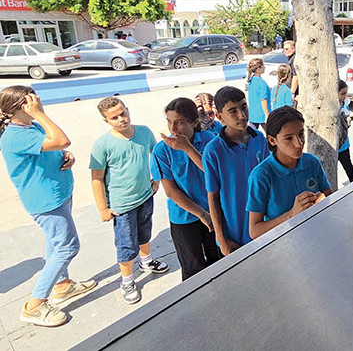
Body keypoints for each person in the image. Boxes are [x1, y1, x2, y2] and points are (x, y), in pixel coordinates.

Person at [0, 87, 96, 327]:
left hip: (58, 193)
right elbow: (62, 138)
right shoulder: (15, 135)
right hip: (45, 202)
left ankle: (62, 285)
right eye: (33, 100)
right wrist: (41, 114)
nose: (39, 102)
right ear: (23, 107)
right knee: (67, 246)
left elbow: (57, 145)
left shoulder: (30, 126)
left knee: (54, 242)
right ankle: (35, 305)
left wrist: (66, 155)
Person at [90, 97, 168, 305]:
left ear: (128, 110)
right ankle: (127, 280)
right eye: (114, 117)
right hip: (121, 205)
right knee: (126, 244)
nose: (121, 119)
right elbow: (96, 178)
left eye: (123, 113)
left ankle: (146, 261)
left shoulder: (144, 132)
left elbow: (156, 154)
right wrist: (103, 208)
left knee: (144, 232)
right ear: (106, 121)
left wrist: (156, 178)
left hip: (145, 195)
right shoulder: (103, 145)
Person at [150, 98, 221, 281]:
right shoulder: (161, 150)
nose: (173, 128)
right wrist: (202, 214)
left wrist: (188, 149)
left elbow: (213, 173)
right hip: (184, 218)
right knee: (193, 269)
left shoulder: (209, 141)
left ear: (194, 122)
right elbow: (171, 191)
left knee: (220, 260)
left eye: (179, 122)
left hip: (215, 211)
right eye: (169, 121)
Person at [202, 86, 269, 256]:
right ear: (219, 116)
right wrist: (221, 239)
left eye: (244, 107)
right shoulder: (214, 151)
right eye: (233, 111)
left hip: (265, 227)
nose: (242, 115)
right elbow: (213, 197)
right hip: (235, 234)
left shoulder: (259, 138)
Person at [247, 106, 332, 239]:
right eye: (288, 138)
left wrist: (322, 201)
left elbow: (329, 196)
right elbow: (255, 231)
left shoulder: (311, 162)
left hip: (317, 235)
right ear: (272, 140)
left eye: (300, 134)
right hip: (285, 244)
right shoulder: (261, 176)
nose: (299, 144)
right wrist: (292, 214)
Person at [337, 80, 353, 183]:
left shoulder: (345, 104)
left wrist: (351, 119)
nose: (344, 96)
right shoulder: (332, 108)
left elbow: (345, 120)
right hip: (334, 145)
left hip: (344, 144)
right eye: (342, 93)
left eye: (346, 93)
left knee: (349, 168)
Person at [246, 58, 270, 129]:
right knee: (270, 134)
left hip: (253, 114)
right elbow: (263, 100)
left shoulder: (251, 81)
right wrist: (267, 114)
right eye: (263, 66)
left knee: (253, 135)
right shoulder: (262, 83)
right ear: (259, 68)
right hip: (262, 115)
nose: (264, 67)